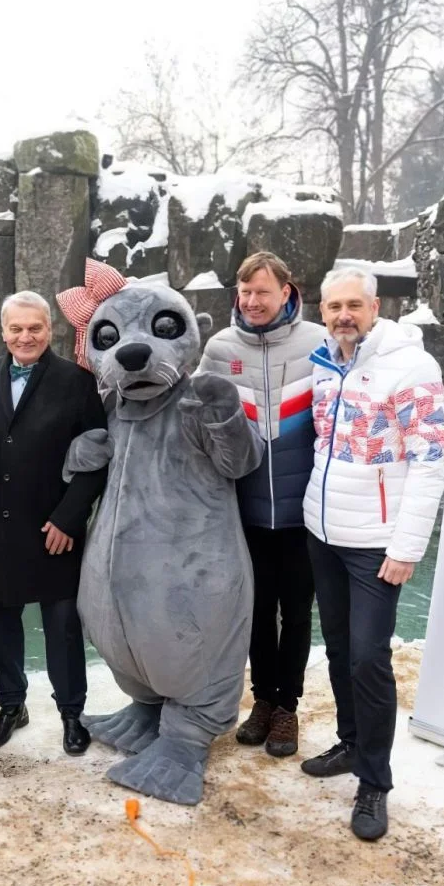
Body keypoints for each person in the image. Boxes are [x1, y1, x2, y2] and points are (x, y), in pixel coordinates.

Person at [300, 265, 444, 841]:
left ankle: (374, 782)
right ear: (322, 310)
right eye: (333, 306)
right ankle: (350, 741)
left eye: (353, 306)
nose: (343, 316)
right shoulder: (326, 363)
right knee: (338, 649)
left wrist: (408, 546)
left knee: (369, 659)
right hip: (325, 532)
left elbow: (430, 460)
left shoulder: (411, 367)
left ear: (375, 305)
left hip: (377, 545)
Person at [0, 290, 107, 755]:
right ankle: (12, 704)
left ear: (49, 329)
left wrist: (69, 519)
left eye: (34, 327)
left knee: (61, 627)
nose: (25, 336)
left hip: (53, 528)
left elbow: (98, 455)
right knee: (1, 624)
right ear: (3, 332)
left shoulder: (77, 381)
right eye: (16, 329)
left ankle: (71, 713)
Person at [197, 251, 324, 758]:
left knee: (296, 613)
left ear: (286, 292)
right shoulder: (219, 348)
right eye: (245, 292)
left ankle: (287, 707)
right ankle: (262, 701)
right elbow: (200, 419)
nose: (252, 301)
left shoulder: (318, 343)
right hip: (243, 509)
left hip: (303, 511)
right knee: (253, 611)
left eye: (262, 292)